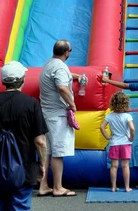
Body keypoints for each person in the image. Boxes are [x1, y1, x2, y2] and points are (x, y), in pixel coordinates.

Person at [0, 61, 48, 210]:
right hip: (23, 170)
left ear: (3, 81)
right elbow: (40, 141)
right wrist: (42, 165)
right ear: (22, 80)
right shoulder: (31, 104)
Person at [38, 39, 87, 197]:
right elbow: (61, 87)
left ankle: (43, 185)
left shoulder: (49, 63)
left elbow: (61, 75)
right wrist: (72, 104)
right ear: (66, 52)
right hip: (57, 115)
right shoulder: (60, 67)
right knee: (58, 152)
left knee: (47, 151)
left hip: (46, 112)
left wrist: (76, 76)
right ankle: (58, 187)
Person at [100, 91, 136, 192]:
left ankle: (113, 187)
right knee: (125, 166)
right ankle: (127, 187)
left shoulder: (110, 116)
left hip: (114, 143)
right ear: (125, 103)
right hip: (125, 143)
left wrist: (107, 137)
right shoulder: (127, 116)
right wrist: (131, 138)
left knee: (114, 166)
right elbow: (132, 129)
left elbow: (102, 127)